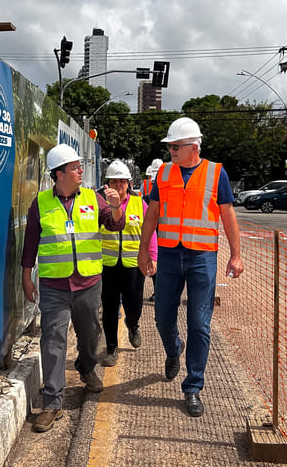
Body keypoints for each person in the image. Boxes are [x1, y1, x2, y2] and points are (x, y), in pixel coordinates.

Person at [137, 117, 244, 418]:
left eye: (175, 145)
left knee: (200, 324)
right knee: (161, 318)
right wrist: (144, 250)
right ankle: (174, 349)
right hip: (170, 256)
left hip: (201, 258)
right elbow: (153, 213)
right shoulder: (164, 174)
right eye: (169, 146)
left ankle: (193, 386)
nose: (171, 150)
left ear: (193, 146)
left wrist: (236, 255)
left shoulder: (215, 173)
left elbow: (228, 214)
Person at [21, 143, 125, 432]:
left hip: (89, 283)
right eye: (75, 167)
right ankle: (53, 401)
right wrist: (26, 277)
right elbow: (30, 245)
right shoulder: (40, 204)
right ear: (60, 174)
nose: (81, 170)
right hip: (55, 286)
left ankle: (87, 367)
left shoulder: (94, 198)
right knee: (53, 340)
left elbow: (113, 225)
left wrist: (116, 209)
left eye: (80, 166)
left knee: (90, 334)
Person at [98, 159, 157, 367]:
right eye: (114, 182)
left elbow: (149, 232)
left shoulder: (139, 203)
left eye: (122, 182)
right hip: (108, 265)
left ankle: (132, 325)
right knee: (110, 307)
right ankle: (111, 347)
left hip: (134, 264)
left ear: (129, 184)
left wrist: (153, 256)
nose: (118, 186)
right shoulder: (100, 204)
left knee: (134, 303)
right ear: (108, 184)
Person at [141, 158, 163, 301]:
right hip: (157, 232)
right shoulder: (147, 196)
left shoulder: (148, 194)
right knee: (156, 264)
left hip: (161, 232)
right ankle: (159, 292)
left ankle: (160, 292)